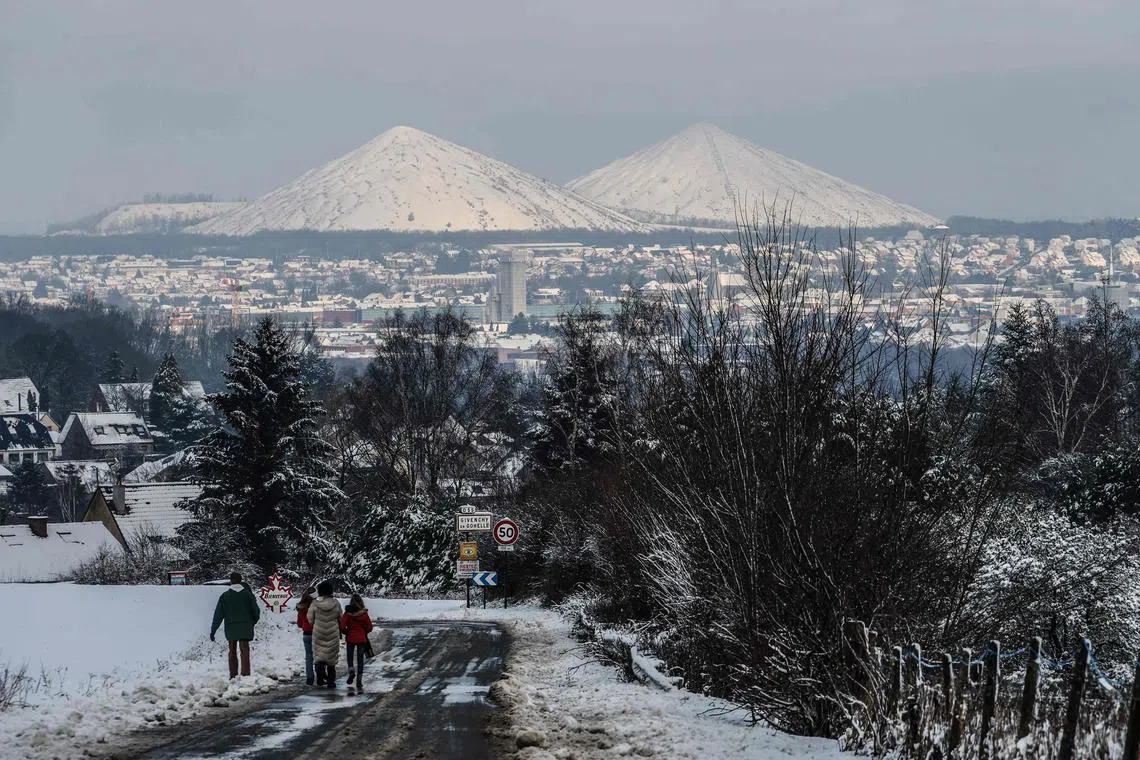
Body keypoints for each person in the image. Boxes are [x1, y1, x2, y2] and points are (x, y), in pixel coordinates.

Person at [210, 572, 261, 679]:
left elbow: (218, 615)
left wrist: (213, 630)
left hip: (231, 627)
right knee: (245, 650)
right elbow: (256, 611)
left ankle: (233, 675)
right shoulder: (248, 595)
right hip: (245, 627)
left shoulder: (225, 596)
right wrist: (251, 623)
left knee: (232, 650)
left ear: (231, 581)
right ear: (241, 580)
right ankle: (246, 674)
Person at [307, 580, 343, 688]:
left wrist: (317, 624)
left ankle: (320, 679)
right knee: (331, 661)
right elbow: (341, 618)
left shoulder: (315, 604)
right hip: (333, 634)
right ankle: (331, 682)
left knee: (319, 657)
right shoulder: (336, 603)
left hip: (319, 633)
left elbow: (310, 619)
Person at [340, 593, 374, 687]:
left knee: (350, 657)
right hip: (361, 638)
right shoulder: (364, 613)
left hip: (350, 637)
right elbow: (370, 627)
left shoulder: (347, 613)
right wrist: (363, 631)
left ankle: (351, 671)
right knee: (360, 659)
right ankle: (359, 679)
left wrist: (347, 632)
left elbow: (342, 626)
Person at [295, 587, 317, 686]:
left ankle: (309, 678)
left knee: (308, 657)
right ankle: (320, 675)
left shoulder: (301, 608)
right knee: (318, 655)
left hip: (306, 634)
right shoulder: (316, 606)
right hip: (316, 633)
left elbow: (299, 623)